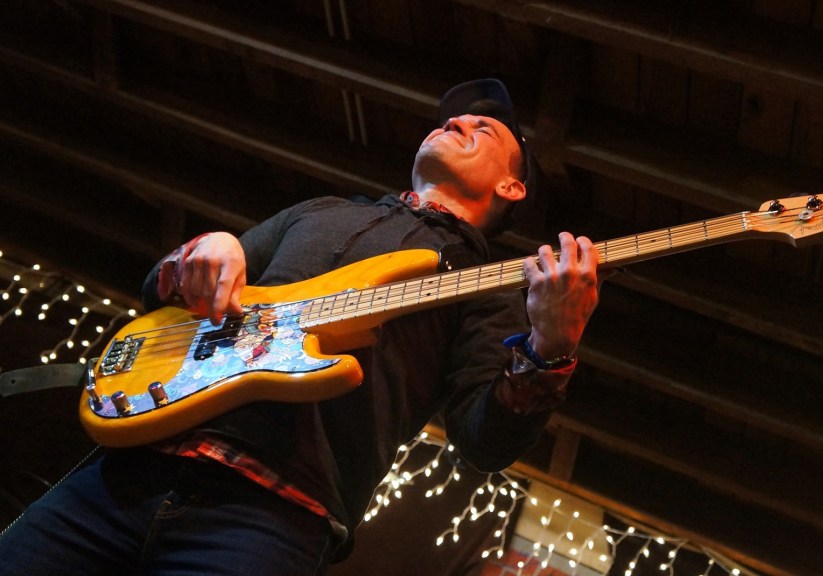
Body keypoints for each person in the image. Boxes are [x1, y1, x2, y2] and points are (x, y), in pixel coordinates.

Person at [0, 78, 600, 575]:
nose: (457, 122)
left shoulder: (486, 286)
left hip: (270, 518)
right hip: (125, 474)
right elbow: (164, 290)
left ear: (511, 186)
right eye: (452, 119)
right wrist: (205, 248)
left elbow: (484, 441)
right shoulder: (320, 211)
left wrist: (549, 349)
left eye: (483, 128)